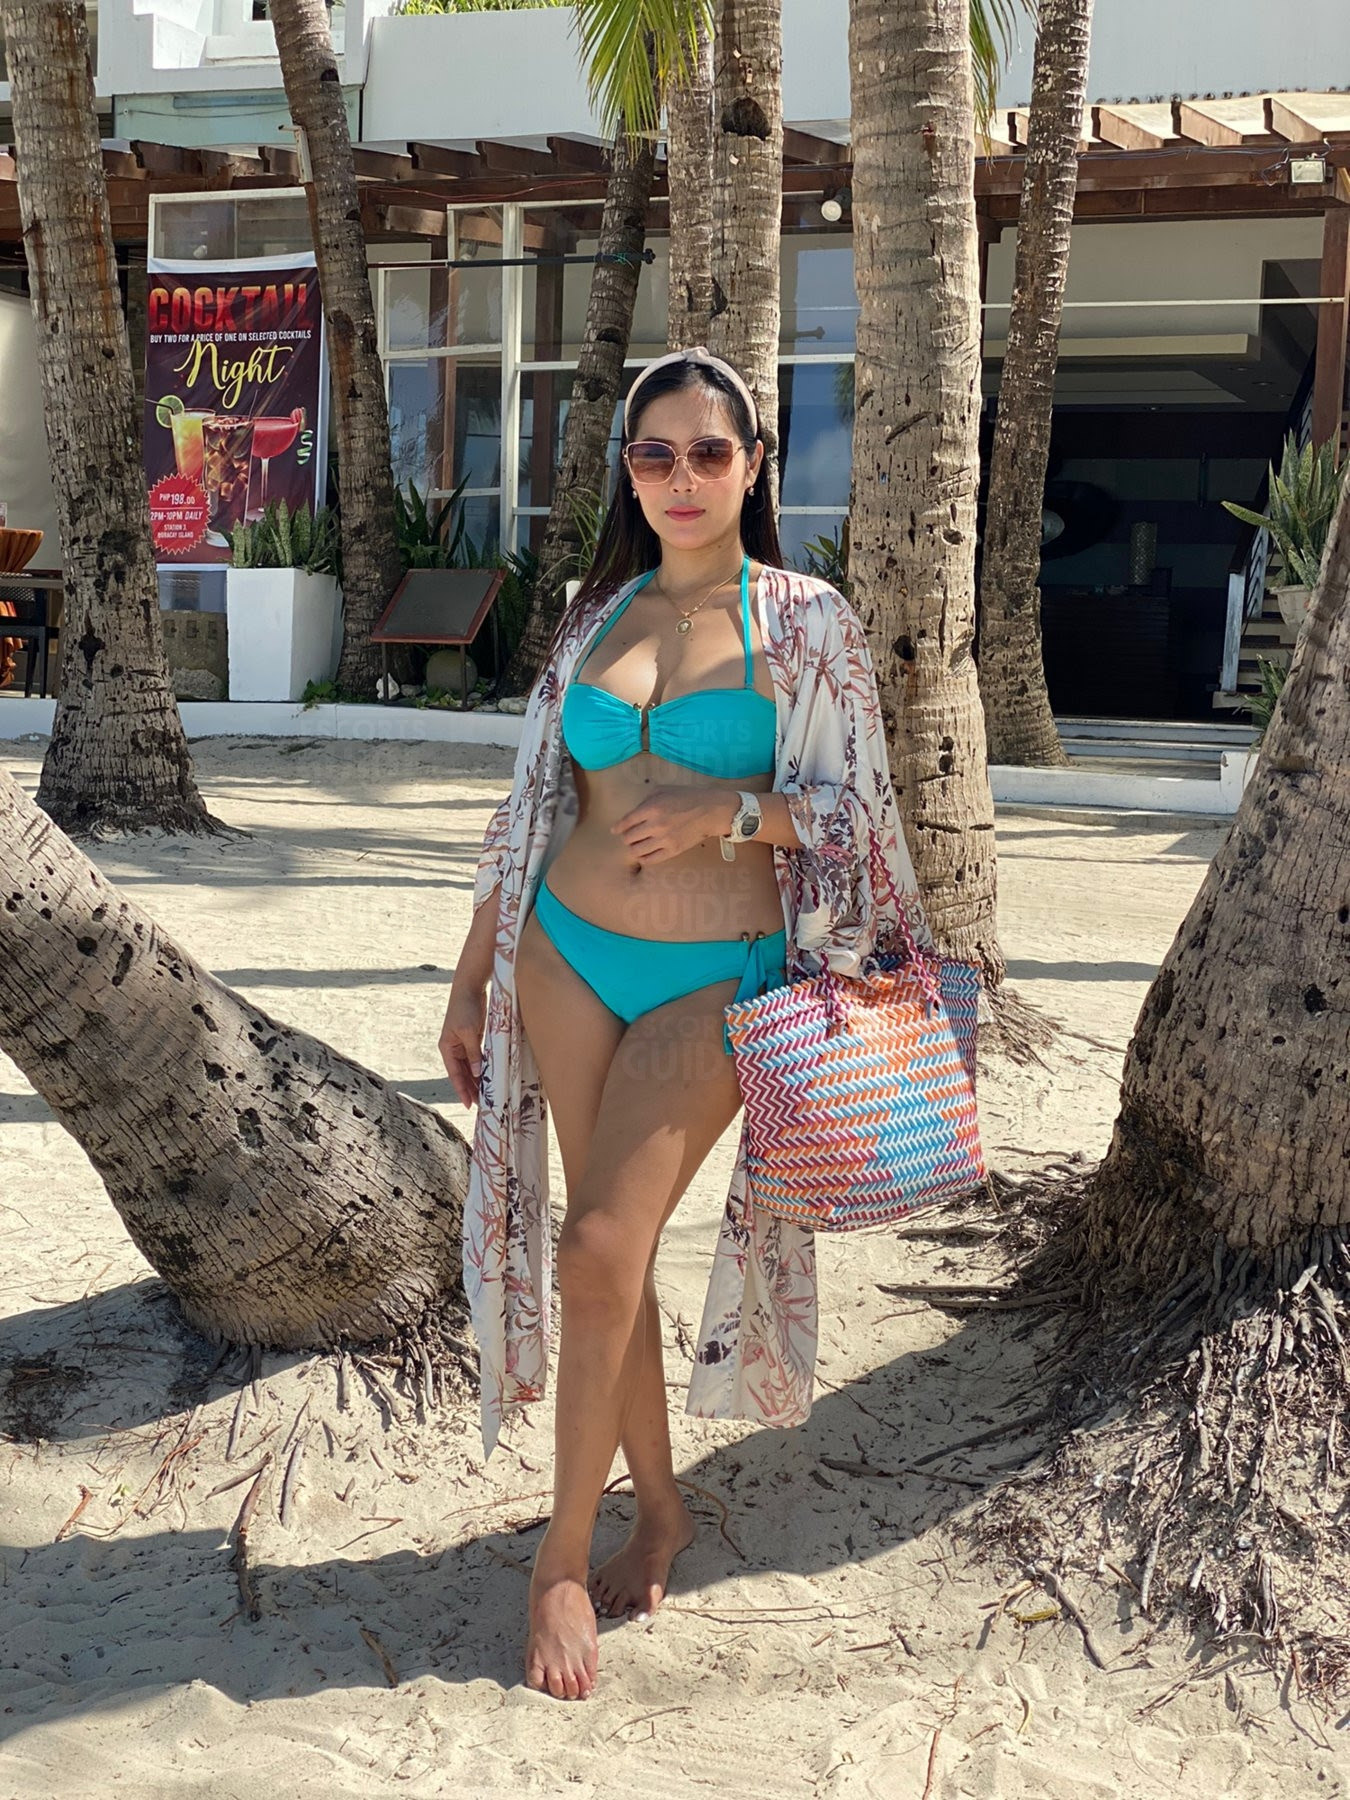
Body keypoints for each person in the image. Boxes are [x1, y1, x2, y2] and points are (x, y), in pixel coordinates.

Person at [439, 346, 930, 1703]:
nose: (682, 477)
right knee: (613, 1257)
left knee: (597, 1242)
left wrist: (737, 810)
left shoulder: (806, 619)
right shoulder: (595, 613)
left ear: (754, 465)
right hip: (565, 949)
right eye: (654, 454)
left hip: (717, 971)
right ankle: (656, 1510)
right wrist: (474, 972)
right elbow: (531, 800)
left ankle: (557, 1557)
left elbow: (863, 814)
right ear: (629, 473)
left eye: (709, 452)